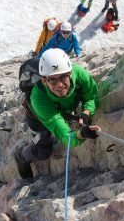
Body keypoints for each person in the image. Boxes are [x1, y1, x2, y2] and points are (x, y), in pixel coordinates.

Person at [14, 48, 101, 179]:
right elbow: (65, 135)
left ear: (70, 73)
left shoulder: (80, 74)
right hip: (37, 116)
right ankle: (21, 156)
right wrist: (81, 135)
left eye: (63, 77)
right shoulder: (39, 99)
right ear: (43, 80)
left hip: (60, 108)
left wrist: (86, 113)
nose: (59, 84)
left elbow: (91, 96)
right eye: (52, 80)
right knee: (43, 151)